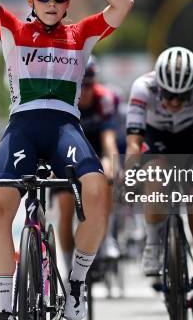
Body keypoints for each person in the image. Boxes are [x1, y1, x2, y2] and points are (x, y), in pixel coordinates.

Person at [0, 0, 133, 320]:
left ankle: (76, 283)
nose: (51, 1)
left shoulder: (81, 34)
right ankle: (4, 307)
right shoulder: (13, 29)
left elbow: (123, 3)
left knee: (97, 192)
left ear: (67, 2)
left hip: (65, 127)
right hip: (23, 127)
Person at [126, 46, 193, 320]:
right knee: (155, 175)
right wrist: (131, 175)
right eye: (168, 96)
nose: (175, 103)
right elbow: (133, 143)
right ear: (159, 87)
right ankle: (154, 243)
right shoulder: (142, 87)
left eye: (182, 97)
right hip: (157, 139)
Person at [54, 56, 120, 271]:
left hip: (95, 149)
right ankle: (67, 268)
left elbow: (109, 140)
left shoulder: (104, 99)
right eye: (80, 85)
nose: (86, 91)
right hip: (67, 153)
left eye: (90, 84)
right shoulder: (61, 99)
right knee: (65, 212)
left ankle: (107, 236)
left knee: (107, 177)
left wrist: (112, 162)